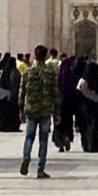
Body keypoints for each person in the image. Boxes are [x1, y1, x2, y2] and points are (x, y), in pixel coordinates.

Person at [19, 45, 60, 179]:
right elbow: (56, 95)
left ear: (34, 56)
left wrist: (21, 111)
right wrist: (57, 114)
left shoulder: (27, 73)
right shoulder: (50, 74)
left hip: (31, 109)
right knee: (43, 140)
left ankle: (26, 157)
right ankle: (40, 170)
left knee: (29, 137)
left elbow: (21, 93)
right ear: (46, 56)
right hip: (45, 111)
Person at [75, 59, 98, 153]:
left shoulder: (82, 82)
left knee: (84, 128)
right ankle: (95, 145)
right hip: (95, 107)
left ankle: (86, 145)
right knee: (95, 127)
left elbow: (77, 95)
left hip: (83, 107)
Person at [0, 54, 21, 132]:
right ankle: (12, 127)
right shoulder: (14, 72)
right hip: (10, 97)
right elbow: (14, 85)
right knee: (13, 113)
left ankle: (3, 127)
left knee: (3, 114)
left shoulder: (3, 73)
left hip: (2, 96)